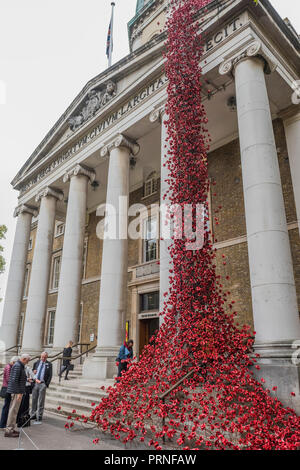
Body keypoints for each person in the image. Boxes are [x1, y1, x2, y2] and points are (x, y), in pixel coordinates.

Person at [4, 354, 31, 438]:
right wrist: (19, 393)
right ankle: (9, 430)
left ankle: (11, 428)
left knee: (14, 411)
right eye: (28, 360)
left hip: (17, 391)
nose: (28, 362)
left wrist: (26, 379)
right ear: (24, 359)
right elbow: (14, 380)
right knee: (13, 411)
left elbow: (18, 378)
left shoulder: (20, 365)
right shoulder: (18, 365)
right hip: (16, 392)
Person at [31, 352, 52, 424]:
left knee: (41, 401)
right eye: (42, 357)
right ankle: (33, 414)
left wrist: (46, 384)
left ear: (47, 357)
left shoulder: (49, 364)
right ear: (40, 356)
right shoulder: (36, 363)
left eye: (45, 357)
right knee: (34, 399)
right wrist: (33, 372)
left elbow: (50, 375)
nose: (43, 358)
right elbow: (32, 372)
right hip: (35, 383)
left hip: (42, 384)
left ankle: (39, 416)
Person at [0, 356, 19, 429]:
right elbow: (8, 379)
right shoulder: (8, 367)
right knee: (6, 407)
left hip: (7, 388)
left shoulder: (9, 366)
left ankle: (3, 424)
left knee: (7, 406)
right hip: (7, 388)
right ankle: (2, 424)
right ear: (13, 362)